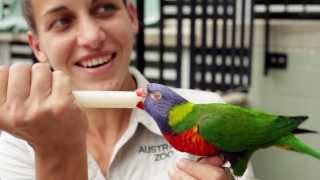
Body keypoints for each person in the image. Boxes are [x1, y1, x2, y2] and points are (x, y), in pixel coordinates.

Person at [0, 0, 256, 179]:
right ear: (38, 47)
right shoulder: (14, 146)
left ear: (132, 17)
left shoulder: (211, 113)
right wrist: (56, 150)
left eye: (104, 8)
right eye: (62, 22)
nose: (91, 37)